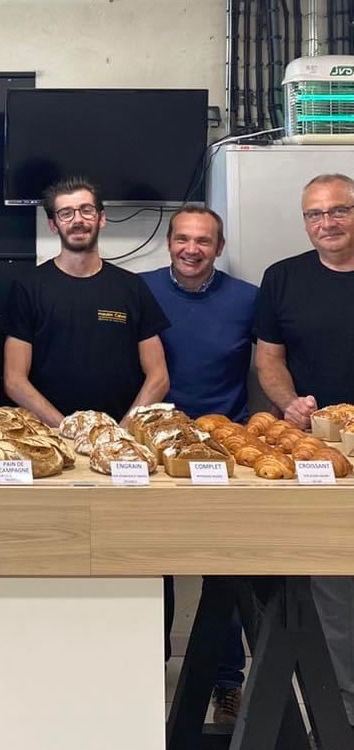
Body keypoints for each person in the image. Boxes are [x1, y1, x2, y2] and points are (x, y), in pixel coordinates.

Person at [141, 206, 256, 724]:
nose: (192, 249)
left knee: (224, 569)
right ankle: (148, 670)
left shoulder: (248, 299)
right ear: (168, 243)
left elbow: (272, 361)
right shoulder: (139, 290)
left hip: (222, 455)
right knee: (149, 565)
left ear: (219, 246)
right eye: (183, 239)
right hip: (152, 448)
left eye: (203, 241)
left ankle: (226, 681)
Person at [255, 173, 354, 734]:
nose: (327, 223)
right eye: (315, 214)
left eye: (338, 211)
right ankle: (344, 710)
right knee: (331, 580)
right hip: (316, 453)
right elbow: (269, 359)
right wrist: (289, 404)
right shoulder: (283, 278)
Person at [2, 175, 170, 426]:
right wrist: (67, 430)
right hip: (51, 437)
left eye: (86, 210)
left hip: (119, 436)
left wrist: (121, 432)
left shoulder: (132, 286)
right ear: (53, 225)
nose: (78, 220)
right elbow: (14, 381)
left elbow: (159, 377)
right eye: (66, 213)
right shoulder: (28, 288)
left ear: (101, 219)